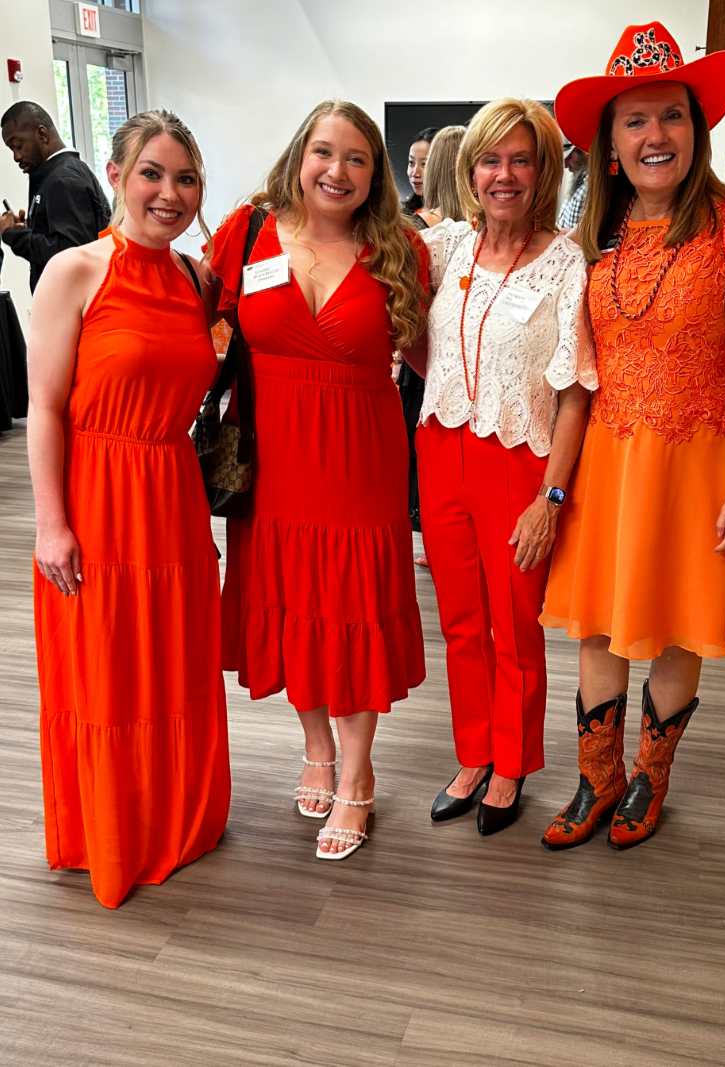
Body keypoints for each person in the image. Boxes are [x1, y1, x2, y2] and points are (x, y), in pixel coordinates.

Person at [541, 22, 725, 851]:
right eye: (636, 120)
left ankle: (651, 775)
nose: (656, 136)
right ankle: (597, 777)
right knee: (600, 624)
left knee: (678, 620)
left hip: (699, 455)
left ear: (697, 128)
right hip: (609, 458)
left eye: (671, 117)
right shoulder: (593, 236)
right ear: (611, 142)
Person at [206, 101, 427, 861]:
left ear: (376, 174)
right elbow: (196, 318)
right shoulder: (246, 232)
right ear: (300, 155)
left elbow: (438, 357)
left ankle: (358, 772)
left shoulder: (400, 249)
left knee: (352, 601)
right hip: (274, 455)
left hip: (361, 457)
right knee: (290, 594)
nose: (338, 170)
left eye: (358, 158)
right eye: (325, 152)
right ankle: (317, 747)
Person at [27, 109, 230, 908]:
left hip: (172, 493)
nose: (169, 192)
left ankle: (176, 816)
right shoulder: (75, 271)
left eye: (185, 178)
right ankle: (112, 829)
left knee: (172, 667)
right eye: (152, 172)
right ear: (116, 176)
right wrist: (51, 521)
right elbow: (44, 408)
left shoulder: (194, 280)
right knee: (107, 674)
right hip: (97, 495)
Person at [404, 97, 598, 836]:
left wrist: (551, 494)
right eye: (491, 159)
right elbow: (422, 344)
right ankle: (473, 752)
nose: (504, 174)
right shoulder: (448, 247)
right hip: (440, 451)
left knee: (515, 625)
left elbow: (575, 389)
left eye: (521, 159)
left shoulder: (564, 259)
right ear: (470, 168)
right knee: (458, 620)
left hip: (521, 457)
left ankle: (512, 761)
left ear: (543, 169)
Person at [398, 125, 467, 559]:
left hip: (425, 365)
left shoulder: (427, 232)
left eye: (424, 163)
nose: (415, 172)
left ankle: (435, 529)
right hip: (432, 364)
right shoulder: (426, 233)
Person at [1, 101, 110, 291]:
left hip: (74, 305)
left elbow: (69, 254)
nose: (16, 157)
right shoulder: (63, 172)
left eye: (18, 145)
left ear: (42, 134)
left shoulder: (63, 180)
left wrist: (13, 234)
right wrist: (32, 229)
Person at [403, 126, 438, 222]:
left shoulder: (454, 221)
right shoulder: (402, 215)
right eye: (411, 162)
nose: (415, 173)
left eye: (424, 164)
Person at [556, 141, 589, 231]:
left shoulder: (591, 187)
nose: (566, 165)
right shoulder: (578, 182)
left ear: (583, 152)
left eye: (569, 157)